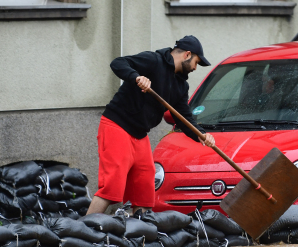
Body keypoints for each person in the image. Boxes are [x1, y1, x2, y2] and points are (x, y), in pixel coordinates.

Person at [89, 36, 217, 215]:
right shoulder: (154, 61)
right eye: (196, 62)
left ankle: (138, 236)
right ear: (187, 54)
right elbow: (118, 63)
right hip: (117, 126)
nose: (196, 68)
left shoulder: (181, 85)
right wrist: (136, 77)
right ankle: (84, 233)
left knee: (144, 191)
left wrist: (201, 135)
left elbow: (184, 117)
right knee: (111, 188)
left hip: (140, 134)